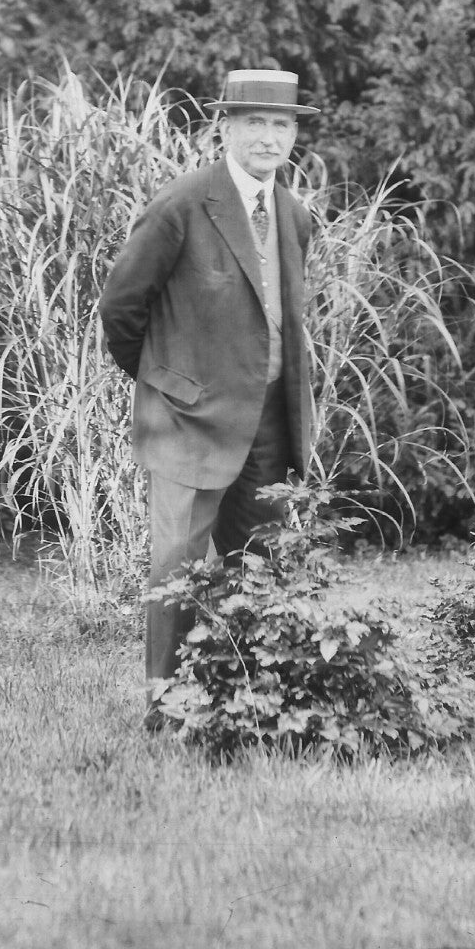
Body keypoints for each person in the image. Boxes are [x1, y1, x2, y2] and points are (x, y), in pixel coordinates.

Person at [98, 68, 318, 685]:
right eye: (254, 123)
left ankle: (247, 698)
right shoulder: (182, 203)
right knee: (177, 568)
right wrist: (167, 383)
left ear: (294, 134)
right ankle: (165, 705)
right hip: (188, 420)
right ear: (225, 127)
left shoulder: (294, 215)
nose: (268, 137)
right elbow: (121, 307)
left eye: (281, 124)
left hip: (269, 421)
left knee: (263, 567)